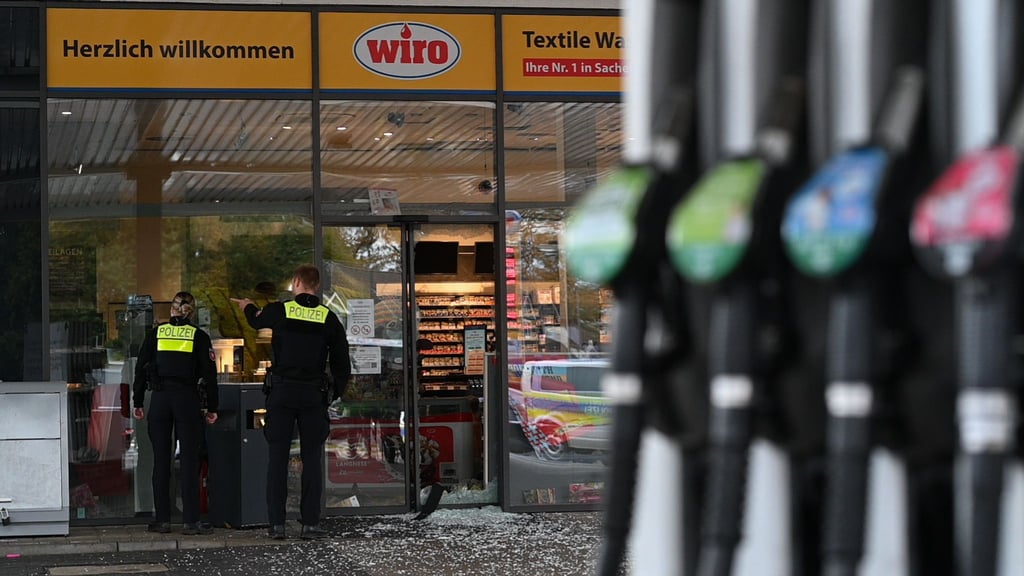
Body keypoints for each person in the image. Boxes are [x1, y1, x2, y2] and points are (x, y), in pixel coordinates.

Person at [231, 264, 351, 540]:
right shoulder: (328, 318)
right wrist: (334, 394)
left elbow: (256, 321)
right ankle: (310, 523)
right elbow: (343, 364)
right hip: (313, 395)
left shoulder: (281, 309)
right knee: (311, 459)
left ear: (296, 282)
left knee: (277, 458)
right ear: (317, 286)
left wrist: (248, 306)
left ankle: (277, 524)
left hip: (282, 393)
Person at [132, 291, 219, 535]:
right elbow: (210, 376)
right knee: (190, 460)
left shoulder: (157, 333)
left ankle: (162, 519)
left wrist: (138, 401)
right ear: (192, 311)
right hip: (187, 400)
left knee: (161, 460)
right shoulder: (198, 337)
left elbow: (140, 369)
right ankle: (190, 521)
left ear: (172, 309)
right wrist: (213, 407)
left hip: (160, 400)